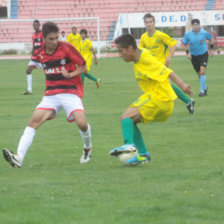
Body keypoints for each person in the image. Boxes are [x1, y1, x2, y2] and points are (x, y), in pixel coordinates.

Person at [3, 22, 93, 168]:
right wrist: (30, 68)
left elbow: (84, 67)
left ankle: (87, 147)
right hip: (51, 94)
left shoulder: (66, 48)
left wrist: (70, 74)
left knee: (82, 123)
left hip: (70, 91)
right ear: (43, 38)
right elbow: (36, 63)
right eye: (51, 39)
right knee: (34, 121)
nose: (55, 41)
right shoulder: (39, 53)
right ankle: (18, 157)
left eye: (56, 38)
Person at [109, 34, 193, 165]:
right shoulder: (140, 53)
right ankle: (143, 155)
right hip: (159, 98)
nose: (120, 55)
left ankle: (129, 145)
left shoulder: (146, 58)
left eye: (121, 51)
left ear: (130, 48)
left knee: (125, 117)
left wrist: (182, 84)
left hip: (159, 98)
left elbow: (167, 71)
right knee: (131, 121)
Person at [140, 13, 195, 114]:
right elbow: (142, 52)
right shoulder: (143, 37)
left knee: (162, 88)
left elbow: (173, 44)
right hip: (151, 68)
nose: (149, 24)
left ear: (154, 23)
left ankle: (154, 109)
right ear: (144, 23)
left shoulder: (160, 35)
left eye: (150, 22)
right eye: (147, 22)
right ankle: (188, 102)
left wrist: (168, 59)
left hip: (161, 67)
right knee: (163, 88)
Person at [182, 18, 214, 97]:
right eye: (194, 25)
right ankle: (205, 87)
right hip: (194, 57)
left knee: (202, 71)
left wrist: (211, 49)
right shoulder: (188, 34)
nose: (195, 26)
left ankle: (202, 91)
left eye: (197, 25)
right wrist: (187, 53)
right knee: (199, 74)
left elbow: (211, 38)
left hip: (203, 54)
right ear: (192, 26)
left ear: (199, 25)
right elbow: (184, 44)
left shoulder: (204, 33)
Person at [24, 19, 44, 95]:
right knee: (28, 71)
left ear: (39, 25)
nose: (35, 26)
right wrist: (32, 56)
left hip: (41, 58)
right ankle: (29, 90)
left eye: (36, 25)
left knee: (49, 72)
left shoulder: (42, 34)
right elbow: (34, 46)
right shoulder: (33, 35)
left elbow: (45, 45)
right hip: (34, 58)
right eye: (34, 25)